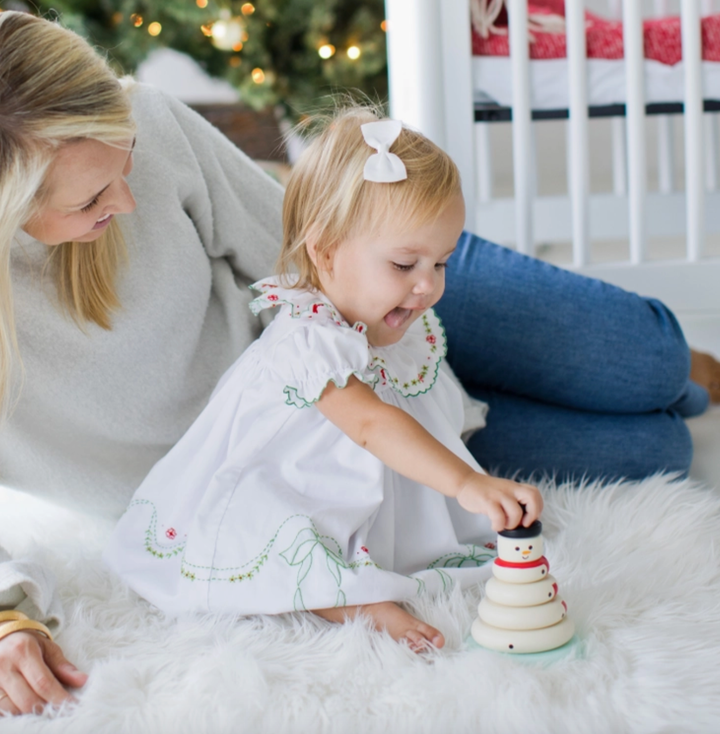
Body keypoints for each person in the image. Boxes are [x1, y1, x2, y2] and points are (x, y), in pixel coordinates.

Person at [0, 9, 717, 716]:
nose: (126, 199)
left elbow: (295, 242)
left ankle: (687, 375)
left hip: (357, 290)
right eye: (92, 197)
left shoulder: (152, 123)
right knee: (653, 448)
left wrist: (402, 298)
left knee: (646, 359)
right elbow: (361, 419)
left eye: (124, 160)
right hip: (305, 451)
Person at [103, 109, 544, 650]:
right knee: (286, 537)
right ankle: (347, 597)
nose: (428, 285)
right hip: (293, 478)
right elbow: (371, 425)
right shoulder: (311, 338)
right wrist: (465, 483)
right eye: (405, 265)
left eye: (442, 263)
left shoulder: (397, 316)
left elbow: (417, 406)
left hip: (375, 481)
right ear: (326, 251)